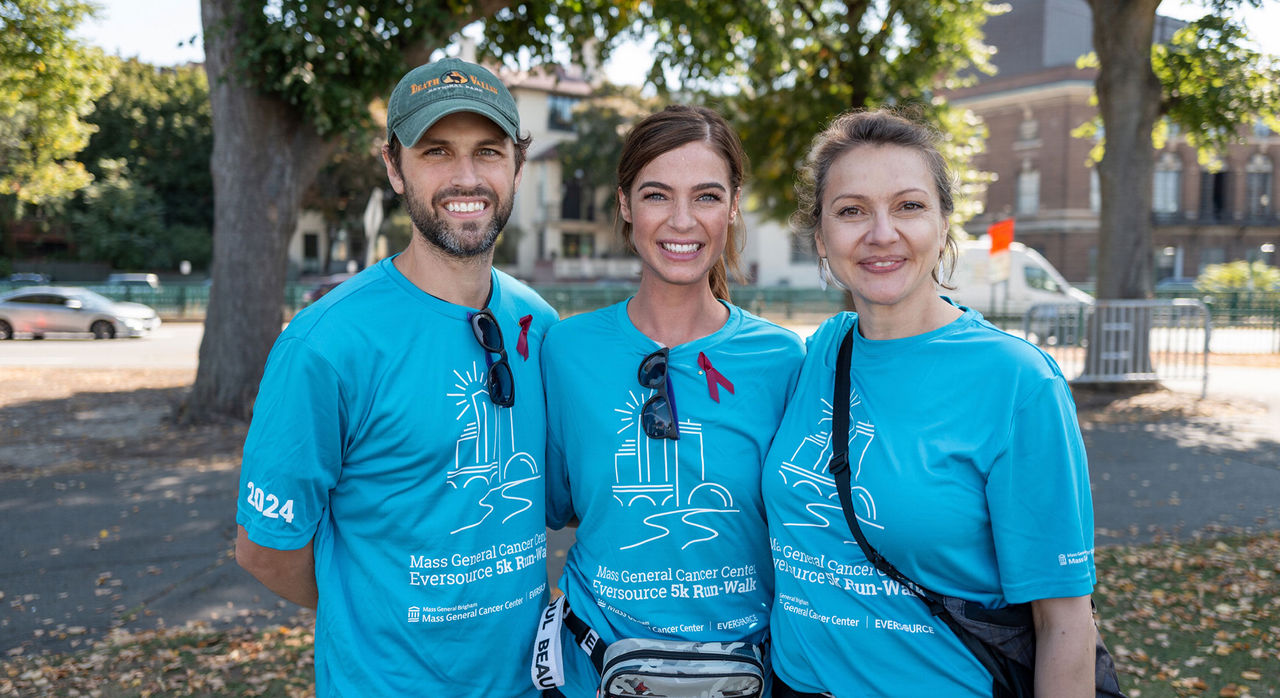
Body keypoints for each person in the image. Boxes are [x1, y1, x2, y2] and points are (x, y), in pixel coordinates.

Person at [235, 57, 557, 697]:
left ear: (516, 166)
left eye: (487, 152)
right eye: (437, 151)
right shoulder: (325, 344)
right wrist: (373, 617)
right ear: (393, 166)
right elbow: (265, 549)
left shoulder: (541, 323)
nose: (466, 177)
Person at [762, 109, 1098, 697]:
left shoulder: (1017, 382)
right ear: (821, 237)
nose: (881, 233)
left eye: (909, 206)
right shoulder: (821, 352)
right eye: (851, 211)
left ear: (944, 224)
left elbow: (1064, 621)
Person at [536, 105, 805, 696]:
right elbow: (563, 501)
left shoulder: (784, 361)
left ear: (734, 206)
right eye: (657, 195)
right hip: (593, 670)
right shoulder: (566, 350)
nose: (682, 221)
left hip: (745, 675)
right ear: (626, 205)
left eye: (706, 196)